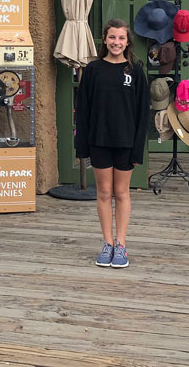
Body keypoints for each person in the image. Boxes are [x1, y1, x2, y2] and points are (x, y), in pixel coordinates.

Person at [74, 18, 148, 269]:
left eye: (121, 38)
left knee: (121, 193)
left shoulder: (135, 70)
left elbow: (142, 113)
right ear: (104, 39)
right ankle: (107, 243)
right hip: (99, 141)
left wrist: (138, 148)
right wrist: (81, 145)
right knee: (104, 193)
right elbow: (82, 110)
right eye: (112, 37)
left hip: (126, 142)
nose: (116, 42)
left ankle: (121, 244)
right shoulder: (93, 70)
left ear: (128, 42)